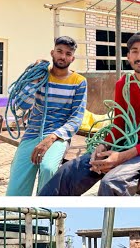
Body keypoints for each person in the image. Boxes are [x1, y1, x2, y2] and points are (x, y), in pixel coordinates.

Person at [39, 32, 140, 197]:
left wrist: (121, 156)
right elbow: (119, 125)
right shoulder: (123, 84)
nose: (139, 56)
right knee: (68, 172)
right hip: (128, 142)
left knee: (111, 182)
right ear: (128, 56)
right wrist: (104, 145)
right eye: (134, 51)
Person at [5, 37, 87, 196]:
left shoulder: (79, 82)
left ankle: (42, 212)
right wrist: (34, 79)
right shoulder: (41, 76)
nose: (63, 56)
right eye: (59, 51)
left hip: (57, 136)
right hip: (32, 133)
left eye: (68, 54)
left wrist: (51, 138)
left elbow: (76, 119)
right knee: (16, 184)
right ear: (52, 52)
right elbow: (23, 104)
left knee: (48, 168)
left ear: (72, 58)